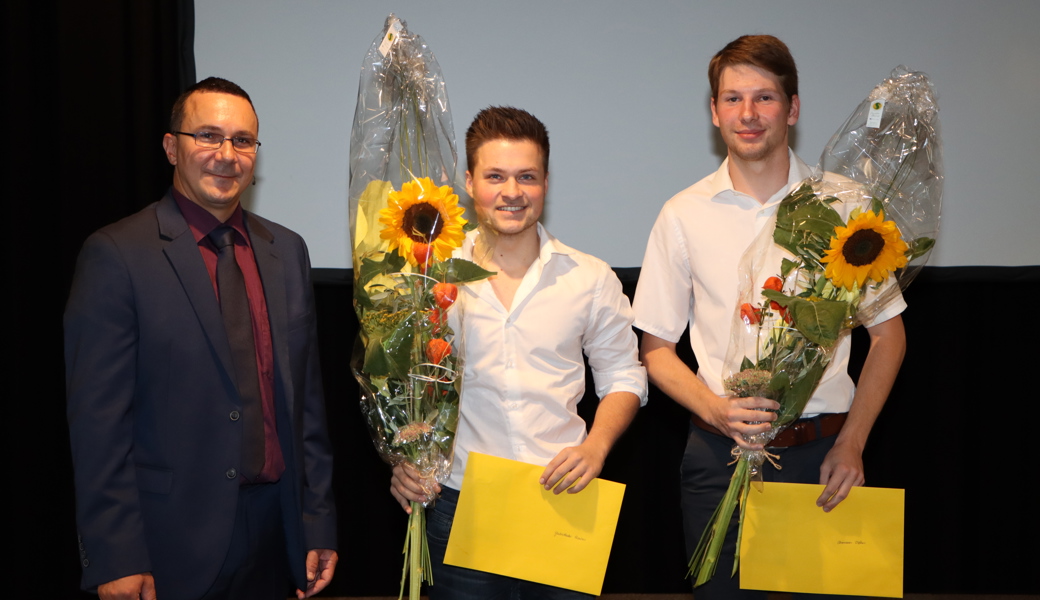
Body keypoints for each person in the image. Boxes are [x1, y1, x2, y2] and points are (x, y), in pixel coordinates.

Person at [633, 35, 906, 599]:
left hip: (823, 457)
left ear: (793, 108)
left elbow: (888, 338)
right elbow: (656, 352)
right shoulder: (682, 213)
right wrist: (717, 408)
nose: (748, 114)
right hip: (717, 456)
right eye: (733, 99)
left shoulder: (846, 207)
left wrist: (853, 443)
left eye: (765, 98)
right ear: (714, 112)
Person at [65, 77, 338, 600]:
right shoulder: (117, 255)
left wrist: (318, 520)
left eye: (242, 141)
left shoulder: (288, 250)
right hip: (169, 544)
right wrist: (115, 553)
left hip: (277, 536)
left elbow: (307, 407)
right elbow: (99, 426)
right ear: (172, 146)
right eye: (208, 136)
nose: (226, 155)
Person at [390, 106, 647, 599]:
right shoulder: (431, 277)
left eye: (526, 176)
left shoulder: (589, 277)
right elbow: (401, 385)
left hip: (563, 500)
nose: (512, 192)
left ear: (546, 182)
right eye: (496, 176)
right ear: (469, 182)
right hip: (457, 504)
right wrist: (403, 458)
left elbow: (624, 377)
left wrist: (595, 447)